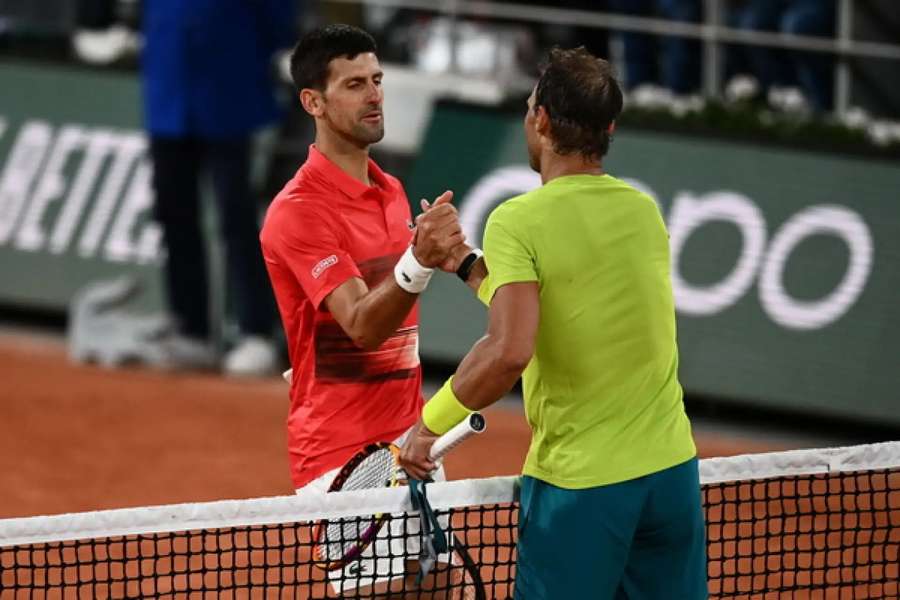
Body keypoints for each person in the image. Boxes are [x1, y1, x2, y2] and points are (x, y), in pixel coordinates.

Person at [400, 47, 707, 598]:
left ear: (540, 120)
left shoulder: (518, 219)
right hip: (672, 478)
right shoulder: (642, 211)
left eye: (527, 107)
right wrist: (468, 266)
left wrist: (429, 426)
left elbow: (509, 349)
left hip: (582, 487)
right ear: (607, 128)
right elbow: (564, 306)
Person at [259, 24, 469, 596]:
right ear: (314, 102)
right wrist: (418, 262)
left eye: (377, 80)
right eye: (354, 84)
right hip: (343, 458)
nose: (375, 94)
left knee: (442, 589)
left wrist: (449, 257)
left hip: (412, 441)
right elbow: (361, 327)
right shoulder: (298, 212)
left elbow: (385, 303)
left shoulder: (393, 190)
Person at [142, 0, 293, 375]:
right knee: (174, 214)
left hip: (230, 93)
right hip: (167, 88)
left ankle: (256, 331)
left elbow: (279, 20)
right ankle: (191, 328)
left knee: (238, 219)